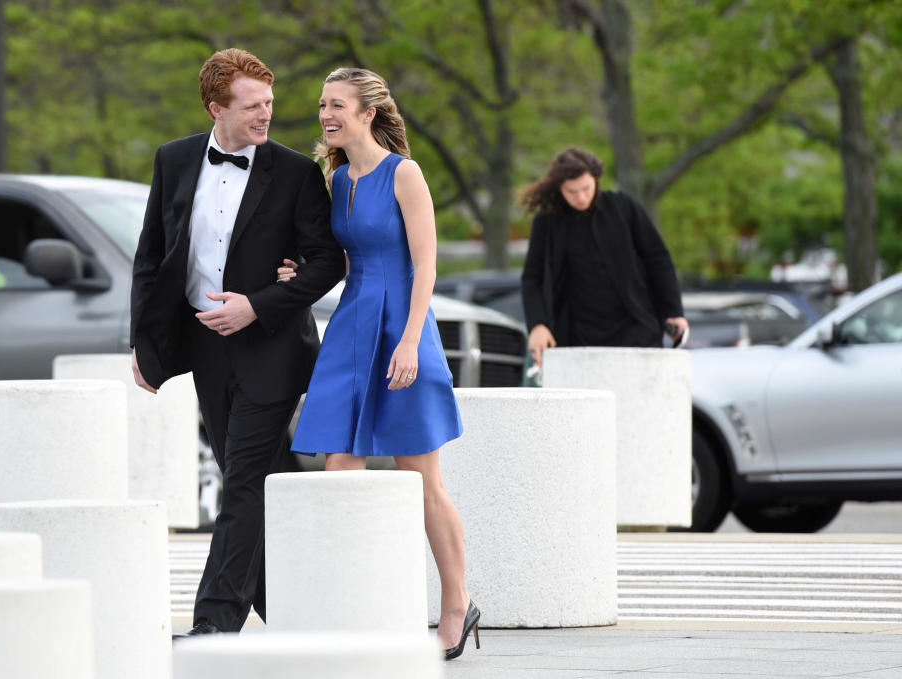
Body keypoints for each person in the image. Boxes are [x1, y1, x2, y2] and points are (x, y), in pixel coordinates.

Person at [130, 48, 346, 636]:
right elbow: (152, 257)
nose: (265, 116)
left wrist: (259, 305)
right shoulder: (173, 160)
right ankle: (299, 615)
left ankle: (214, 625)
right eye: (252, 107)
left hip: (273, 348)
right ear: (214, 107)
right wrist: (144, 345)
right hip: (205, 350)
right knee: (254, 487)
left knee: (244, 483)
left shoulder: (297, 172)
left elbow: (326, 262)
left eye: (269, 104)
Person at [277, 67, 479, 661]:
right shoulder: (337, 179)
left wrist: (412, 340)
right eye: (321, 105)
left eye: (336, 104)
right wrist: (299, 275)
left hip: (402, 325)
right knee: (340, 464)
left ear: (368, 112)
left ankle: (455, 602)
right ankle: (360, 607)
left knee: (422, 479)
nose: (325, 115)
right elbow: (340, 261)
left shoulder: (404, 173)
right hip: (352, 326)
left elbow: (427, 266)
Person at [520, 147, 688, 366]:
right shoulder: (547, 221)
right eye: (572, 192)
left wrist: (673, 311)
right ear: (559, 189)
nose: (581, 197)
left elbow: (657, 258)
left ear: (596, 180)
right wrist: (537, 325)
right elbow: (531, 277)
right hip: (575, 336)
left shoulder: (623, 207)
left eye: (586, 188)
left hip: (635, 328)